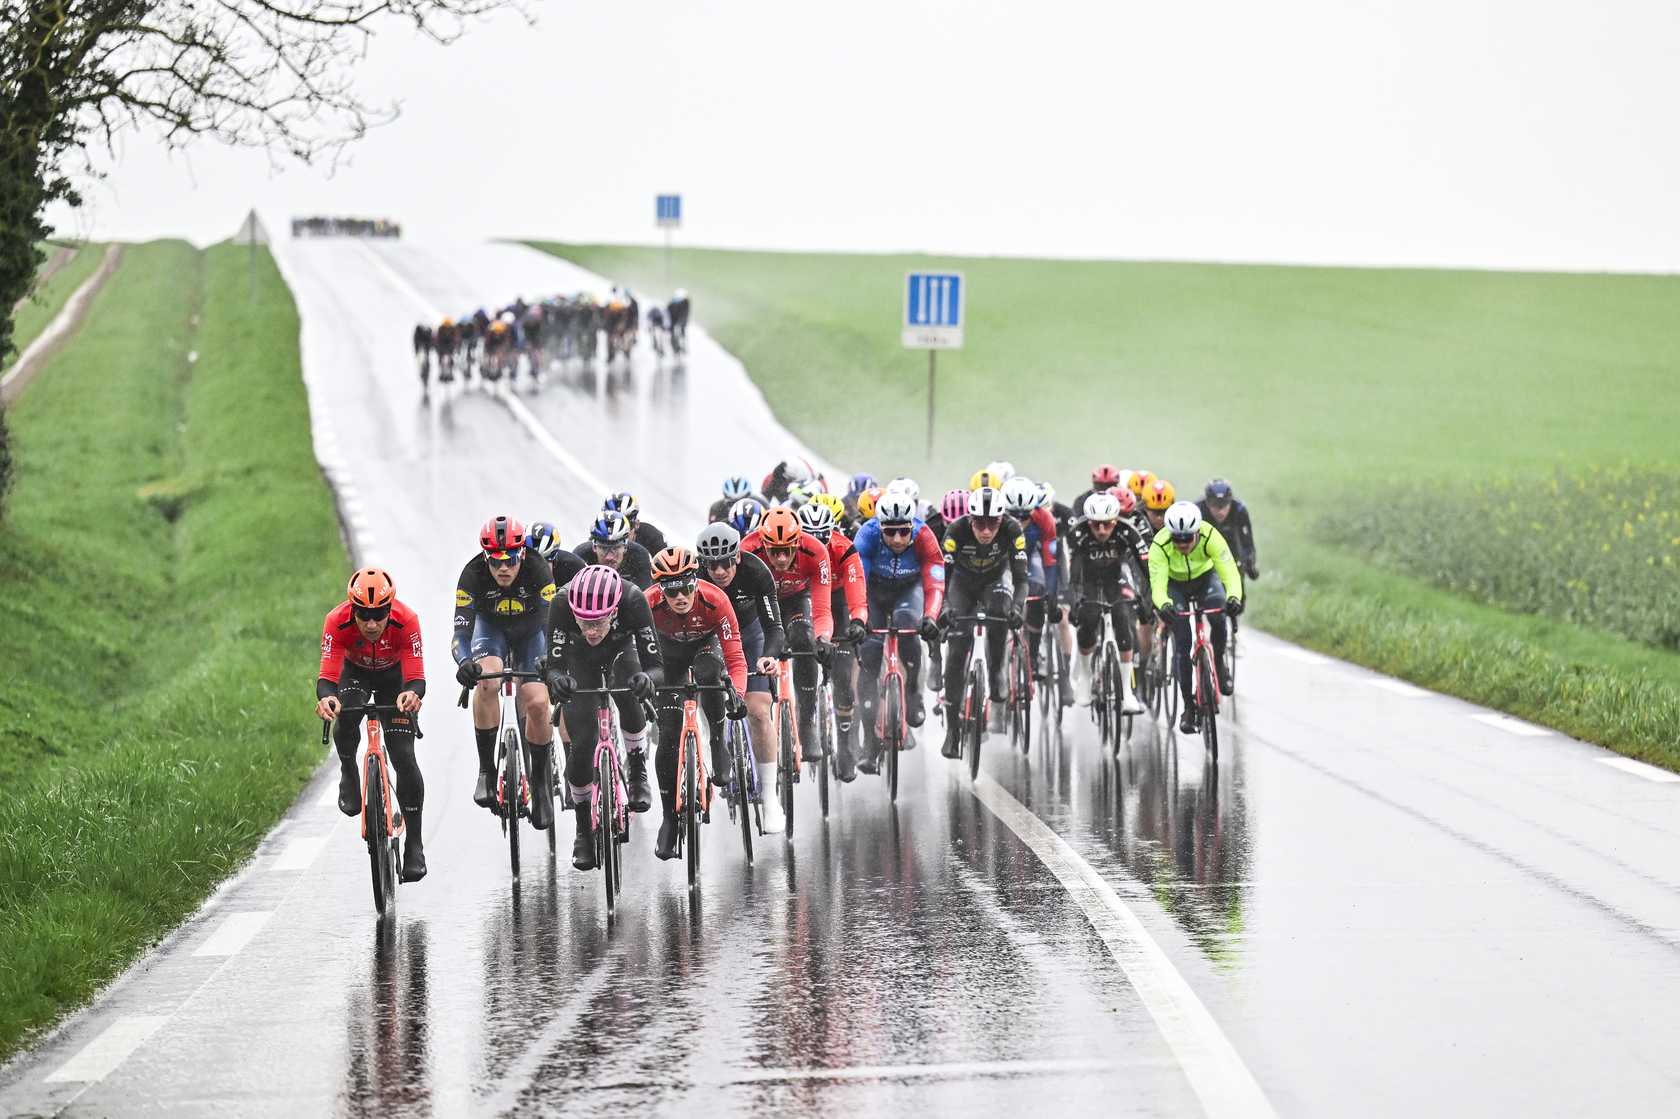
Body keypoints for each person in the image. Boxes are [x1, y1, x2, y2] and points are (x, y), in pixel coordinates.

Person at [544, 565, 660, 869]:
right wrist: (557, 679)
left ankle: (637, 768)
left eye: (598, 621)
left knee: (632, 692)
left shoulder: (634, 600)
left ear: (614, 611)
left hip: (622, 651)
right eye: (583, 621)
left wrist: (647, 679)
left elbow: (655, 665)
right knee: (582, 743)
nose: (591, 630)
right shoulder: (560, 603)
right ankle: (583, 829)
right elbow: (553, 665)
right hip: (577, 659)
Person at [316, 568, 428, 882]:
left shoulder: (407, 620)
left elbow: (416, 677)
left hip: (395, 678)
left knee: (404, 756)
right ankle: (349, 770)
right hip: (355, 674)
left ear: (390, 608)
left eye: (379, 615)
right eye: (363, 615)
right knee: (348, 711)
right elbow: (327, 678)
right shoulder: (336, 621)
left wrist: (411, 694)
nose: (371, 624)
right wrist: (327, 699)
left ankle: (415, 845)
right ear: (352, 609)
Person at [452, 517, 559, 828]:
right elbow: (460, 635)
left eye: (510, 560)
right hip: (490, 632)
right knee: (488, 679)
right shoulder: (471, 575)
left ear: (522, 555)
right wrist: (464, 663)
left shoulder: (538, 569)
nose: (503, 568)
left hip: (531, 634)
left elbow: (550, 626)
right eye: (495, 561)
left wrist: (552, 661)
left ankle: (539, 786)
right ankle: (486, 770)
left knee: (537, 702)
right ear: (485, 557)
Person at [645, 547, 750, 859]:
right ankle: (668, 819)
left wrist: (738, 695)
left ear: (695, 581)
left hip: (706, 648)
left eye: (687, 587)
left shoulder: (715, 599)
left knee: (710, 674)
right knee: (667, 735)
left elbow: (735, 658)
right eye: (672, 591)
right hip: (666, 658)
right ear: (660, 591)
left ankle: (718, 744)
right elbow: (636, 655)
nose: (681, 597)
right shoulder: (645, 604)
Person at [695, 522, 789, 832]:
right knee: (707, 683)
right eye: (712, 564)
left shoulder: (756, 571)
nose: (719, 571)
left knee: (760, 711)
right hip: (710, 636)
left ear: (737, 557)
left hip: (750, 635)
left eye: (725, 562)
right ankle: (718, 742)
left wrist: (769, 656)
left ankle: (770, 796)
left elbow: (774, 625)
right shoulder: (694, 577)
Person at [853, 491, 945, 773]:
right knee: (869, 654)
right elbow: (857, 580)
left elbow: (935, 580)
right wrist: (858, 617)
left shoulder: (925, 535)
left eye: (903, 532)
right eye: (890, 532)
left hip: (909, 590)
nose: (896, 539)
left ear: (912, 528)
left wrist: (930, 617)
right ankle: (870, 743)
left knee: (909, 624)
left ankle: (914, 691)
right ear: (879, 527)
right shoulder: (866, 536)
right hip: (875, 592)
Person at [939, 485, 1028, 756]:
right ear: (970, 520)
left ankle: (997, 671)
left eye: (993, 524)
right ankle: (953, 730)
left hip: (994, 581)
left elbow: (1021, 578)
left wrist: (1017, 607)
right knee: (955, 651)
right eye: (980, 524)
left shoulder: (1013, 530)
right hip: (961, 585)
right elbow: (942, 577)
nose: (986, 531)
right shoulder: (955, 531)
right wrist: (942, 606)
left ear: (1002, 520)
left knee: (1001, 614)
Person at [740, 506, 833, 760]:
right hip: (758, 603)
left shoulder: (815, 551)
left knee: (805, 638)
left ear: (798, 542)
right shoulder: (747, 550)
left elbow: (823, 609)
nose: (781, 559)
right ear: (762, 543)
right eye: (775, 551)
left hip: (795, 601)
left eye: (787, 551)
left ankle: (806, 721)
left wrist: (823, 638)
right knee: (757, 645)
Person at [1149, 501, 1243, 735]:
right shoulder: (1160, 545)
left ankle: (1219, 662)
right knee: (1182, 642)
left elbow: (1229, 571)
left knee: (1219, 613)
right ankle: (1189, 707)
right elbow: (1158, 586)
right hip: (1175, 585)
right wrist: (1164, 604)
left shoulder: (1212, 536)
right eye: (1177, 539)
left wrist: (1233, 597)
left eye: (1187, 539)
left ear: (1197, 533)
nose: (1182, 544)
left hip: (1205, 579)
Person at [796, 500, 869, 779]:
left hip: (837, 603)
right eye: (809, 537)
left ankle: (845, 742)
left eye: (822, 537)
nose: (817, 544)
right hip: (804, 600)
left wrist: (859, 620)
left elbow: (856, 587)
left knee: (842, 680)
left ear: (833, 532)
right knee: (801, 650)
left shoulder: (843, 548)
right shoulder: (792, 551)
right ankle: (805, 719)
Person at [1066, 493, 1149, 714]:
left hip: (1117, 577)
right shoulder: (1078, 533)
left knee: (1123, 616)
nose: (1102, 531)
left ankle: (1127, 692)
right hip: (1089, 578)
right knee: (1089, 616)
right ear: (1088, 522)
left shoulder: (1128, 531)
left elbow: (1146, 568)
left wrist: (1149, 599)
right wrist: (1074, 601)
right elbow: (1074, 575)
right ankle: (1085, 676)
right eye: (1096, 525)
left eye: (1107, 525)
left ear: (1115, 521)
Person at [1000, 476, 1064, 701]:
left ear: (1033, 510)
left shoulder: (1045, 518)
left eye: (1024, 516)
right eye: (1013, 516)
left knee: (1037, 591)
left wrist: (1052, 596)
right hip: (1002, 558)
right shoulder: (994, 518)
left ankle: (1034, 655)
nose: (1019, 522)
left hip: (1029, 556)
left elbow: (1051, 560)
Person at [575, 509, 654, 589]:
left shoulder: (640, 555)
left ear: (625, 546)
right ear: (594, 547)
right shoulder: (581, 555)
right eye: (603, 548)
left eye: (616, 548)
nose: (609, 557)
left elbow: (645, 595)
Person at [1200, 479, 1259, 581]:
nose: (1220, 512)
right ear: (1207, 503)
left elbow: (1247, 543)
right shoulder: (1197, 510)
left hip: (1232, 555)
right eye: (1215, 506)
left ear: (1230, 502)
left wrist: (1250, 564)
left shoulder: (1239, 510)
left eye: (1224, 506)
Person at [527, 521, 586, 586]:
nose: (537, 570)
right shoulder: (516, 570)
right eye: (531, 563)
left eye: (543, 563)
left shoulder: (574, 566)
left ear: (553, 559)